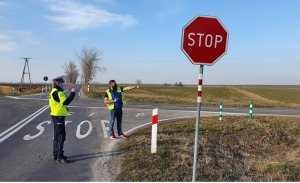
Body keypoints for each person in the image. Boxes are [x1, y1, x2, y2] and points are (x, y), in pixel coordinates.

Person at [49, 76, 76, 163]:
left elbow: (58, 103)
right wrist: (72, 92)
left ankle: (55, 154)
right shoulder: (58, 92)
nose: (63, 84)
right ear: (57, 83)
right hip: (58, 116)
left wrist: (64, 108)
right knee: (61, 136)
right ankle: (59, 156)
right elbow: (66, 101)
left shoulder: (53, 91)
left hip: (56, 115)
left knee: (57, 136)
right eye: (61, 82)